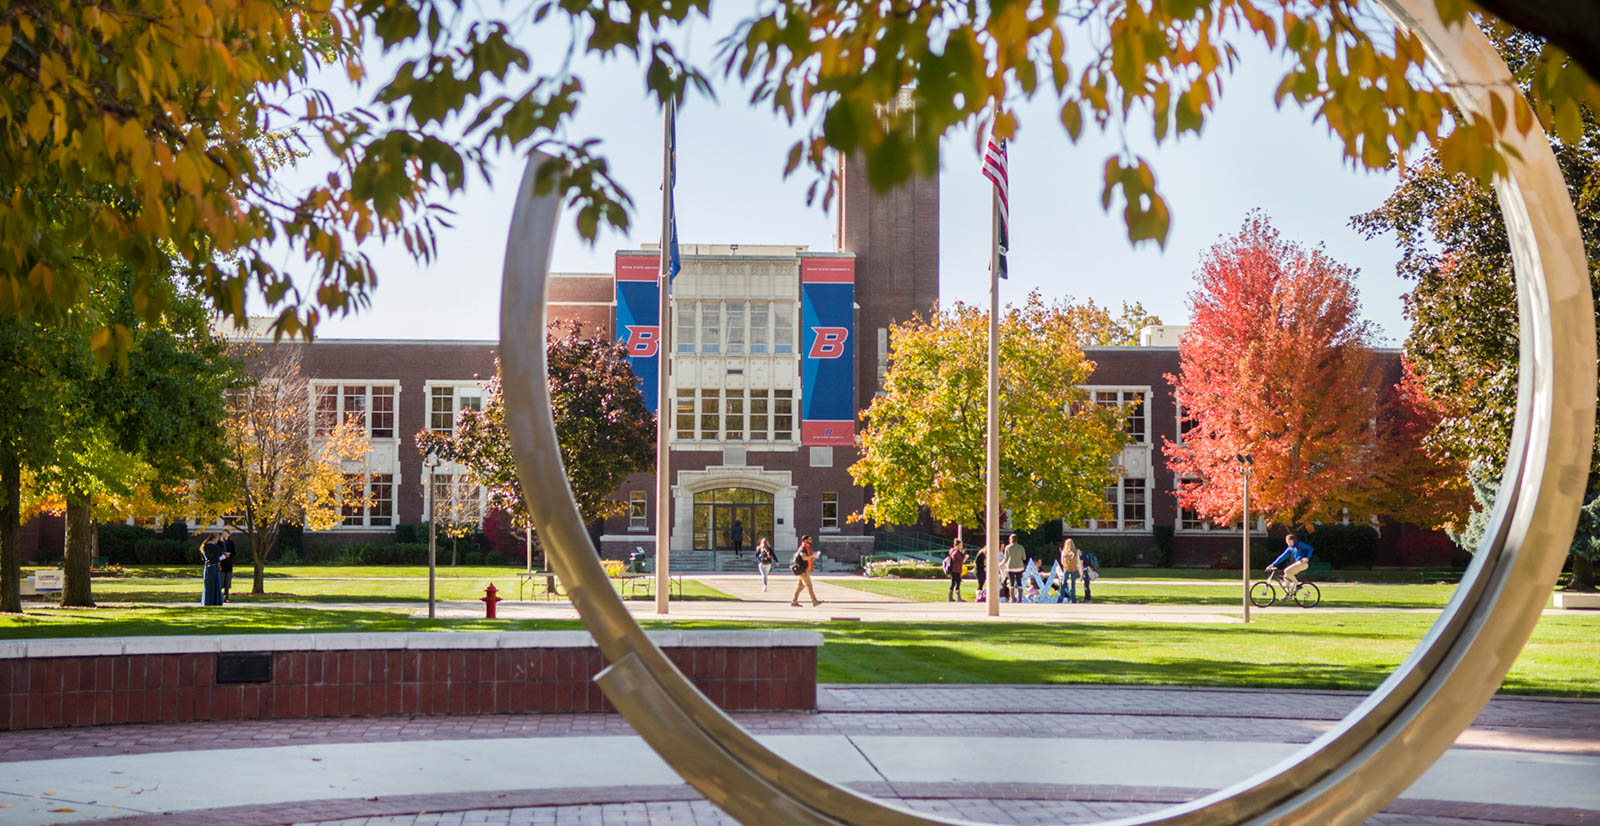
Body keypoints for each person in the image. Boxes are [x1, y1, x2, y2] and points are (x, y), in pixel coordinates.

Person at [790, 535, 822, 607]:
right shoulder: (803, 548)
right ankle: (814, 601)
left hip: (803, 569)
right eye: (809, 539)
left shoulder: (807, 548)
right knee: (809, 585)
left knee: (800, 586)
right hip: (802, 570)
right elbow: (804, 558)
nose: (811, 540)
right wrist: (813, 555)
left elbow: (807, 558)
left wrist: (813, 556)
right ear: (805, 540)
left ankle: (794, 601)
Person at [199, 533, 225, 606]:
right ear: (214, 538)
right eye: (217, 538)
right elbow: (222, 549)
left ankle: (207, 601)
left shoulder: (205, 546)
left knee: (208, 585)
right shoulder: (212, 546)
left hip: (207, 567)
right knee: (213, 585)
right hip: (212, 568)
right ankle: (213, 601)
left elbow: (204, 558)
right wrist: (222, 541)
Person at [1056, 538, 1081, 604]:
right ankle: (1073, 599)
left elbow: (1061, 561)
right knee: (1073, 584)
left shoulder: (1064, 552)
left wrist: (1065, 565)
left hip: (1066, 568)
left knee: (1064, 584)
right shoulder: (1075, 552)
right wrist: (1079, 568)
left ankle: (1060, 599)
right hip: (1074, 568)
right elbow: (1078, 561)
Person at [1002, 534, 1027, 599]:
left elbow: (1005, 558)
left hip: (1010, 567)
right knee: (1019, 582)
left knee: (1011, 583)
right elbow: (1024, 558)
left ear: (1010, 540)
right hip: (1019, 567)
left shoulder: (1007, 547)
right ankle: (1020, 598)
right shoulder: (1021, 547)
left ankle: (1012, 598)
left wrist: (1001, 564)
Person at [218, 529, 237, 603]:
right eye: (223, 534)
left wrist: (229, 555)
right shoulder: (220, 543)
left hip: (229, 564)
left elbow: (234, 553)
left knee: (227, 582)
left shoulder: (231, 543)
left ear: (229, 535)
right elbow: (217, 553)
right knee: (221, 582)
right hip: (222, 564)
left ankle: (226, 597)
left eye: (226, 533)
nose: (225, 535)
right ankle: (219, 597)